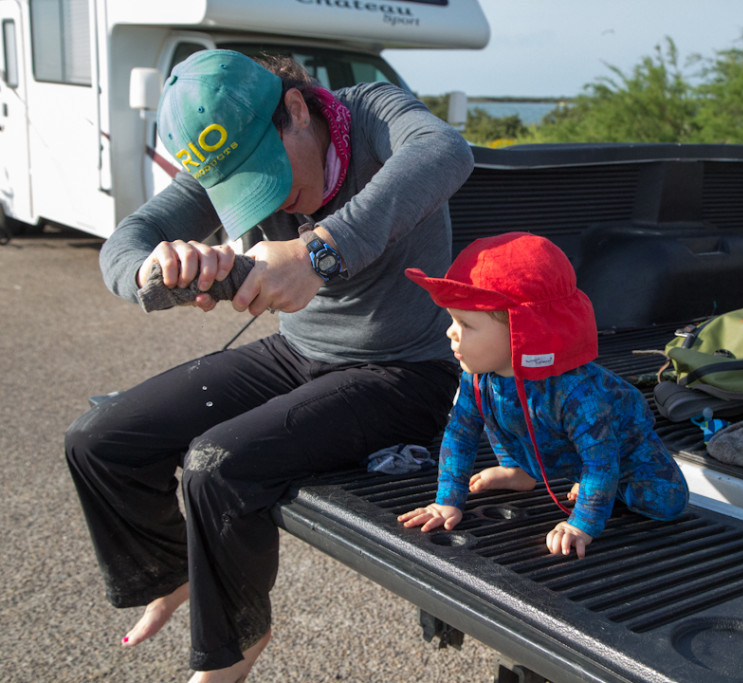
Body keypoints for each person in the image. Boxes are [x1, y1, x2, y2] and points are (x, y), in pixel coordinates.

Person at [64, 49, 472, 682]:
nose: (270, 197)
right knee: (99, 440)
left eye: (265, 169)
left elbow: (445, 152)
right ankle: (178, 574)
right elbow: (126, 242)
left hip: (403, 370)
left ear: (296, 108)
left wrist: (317, 253)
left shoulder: (372, 112)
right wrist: (156, 271)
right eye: (242, 184)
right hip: (298, 353)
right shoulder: (224, 155)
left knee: (216, 464)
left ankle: (235, 646)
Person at [398, 232, 689, 558]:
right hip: (560, 452)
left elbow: (601, 460)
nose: (451, 332)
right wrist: (447, 500)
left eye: (466, 324)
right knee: (496, 405)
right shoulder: (478, 376)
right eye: (453, 320)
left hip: (623, 454)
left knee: (667, 503)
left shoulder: (578, 393)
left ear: (522, 330)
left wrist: (582, 523)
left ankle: (610, 490)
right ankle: (518, 471)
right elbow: (461, 433)